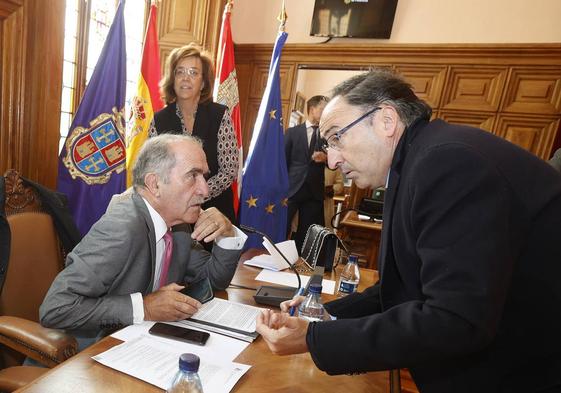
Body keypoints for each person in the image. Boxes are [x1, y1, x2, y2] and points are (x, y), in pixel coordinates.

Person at [256, 69, 561, 393]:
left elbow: (455, 319)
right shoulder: (417, 161)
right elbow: (401, 287)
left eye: (336, 138)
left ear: (386, 120)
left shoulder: (447, 162)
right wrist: (317, 316)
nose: (331, 161)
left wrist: (313, 338)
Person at [40, 134, 247, 348]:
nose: (205, 190)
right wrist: (144, 308)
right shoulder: (122, 227)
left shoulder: (179, 226)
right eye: (192, 176)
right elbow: (57, 307)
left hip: (145, 345)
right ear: (154, 184)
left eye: (203, 176)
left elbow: (212, 281)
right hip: (86, 355)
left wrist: (227, 234)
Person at [150, 43, 238, 224]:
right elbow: (153, 169)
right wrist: (178, 198)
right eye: (180, 72)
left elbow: (229, 170)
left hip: (215, 212)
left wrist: (194, 194)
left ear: (203, 82)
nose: (185, 78)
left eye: (193, 73)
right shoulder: (158, 120)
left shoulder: (220, 115)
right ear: (172, 79)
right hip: (172, 216)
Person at [285, 95, 329, 251]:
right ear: (312, 109)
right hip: (292, 187)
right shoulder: (292, 132)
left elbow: (335, 161)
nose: (326, 113)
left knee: (310, 232)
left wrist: (326, 158)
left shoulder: (327, 135)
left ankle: (303, 263)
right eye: (323, 109)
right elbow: (283, 161)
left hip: (314, 190)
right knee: (283, 226)